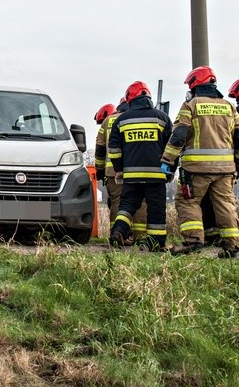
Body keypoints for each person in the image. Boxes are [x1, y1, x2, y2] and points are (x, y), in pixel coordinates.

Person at [161, 67, 239, 257]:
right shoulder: (229, 107)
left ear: (194, 84)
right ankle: (232, 244)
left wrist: (168, 161)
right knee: (225, 203)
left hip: (196, 169)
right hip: (226, 169)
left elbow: (178, 136)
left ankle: (193, 241)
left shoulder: (191, 105)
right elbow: (238, 139)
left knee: (187, 201)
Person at [108, 81, 173, 251]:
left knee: (127, 205)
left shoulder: (121, 120)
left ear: (130, 99)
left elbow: (114, 150)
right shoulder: (162, 118)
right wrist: (170, 169)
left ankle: (118, 231)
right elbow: (172, 147)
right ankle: (156, 243)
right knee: (156, 207)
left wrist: (120, 169)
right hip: (157, 176)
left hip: (131, 175)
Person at [94, 100, 149, 241]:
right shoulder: (137, 118)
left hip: (112, 171)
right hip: (136, 169)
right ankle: (140, 237)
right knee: (140, 202)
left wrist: (99, 169)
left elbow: (100, 148)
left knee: (117, 202)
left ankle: (116, 234)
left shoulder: (108, 121)